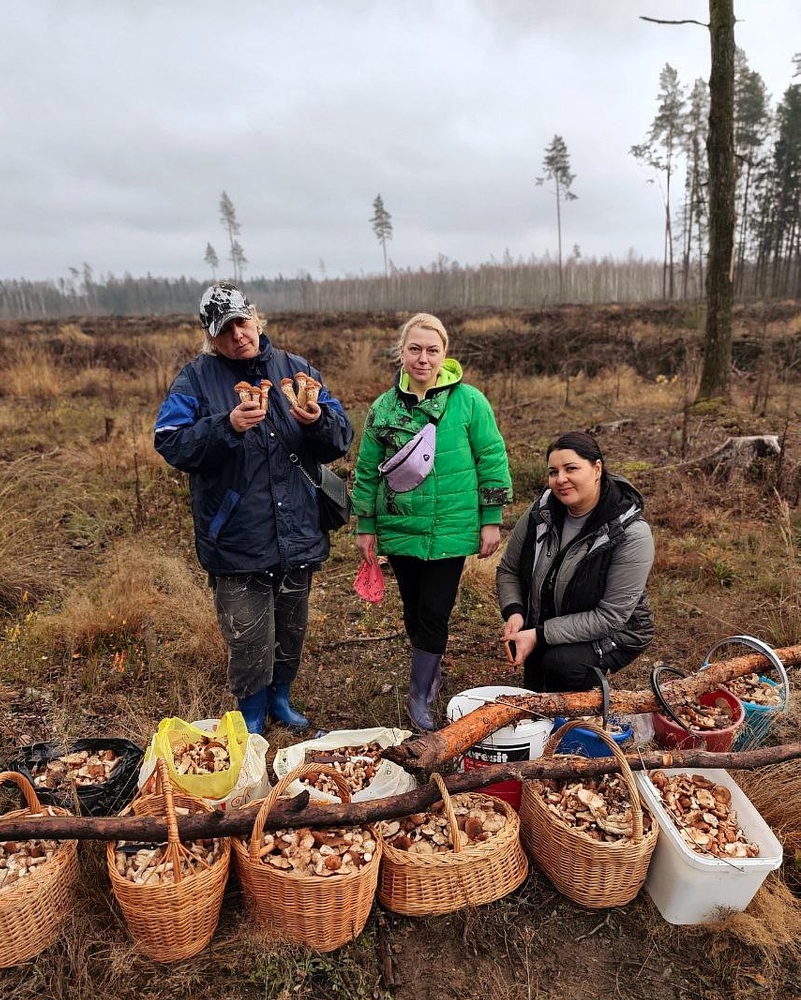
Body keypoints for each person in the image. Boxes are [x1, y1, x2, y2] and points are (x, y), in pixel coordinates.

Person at [153, 283, 353, 734]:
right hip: (236, 535)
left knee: (291, 629)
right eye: (224, 331)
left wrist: (319, 420)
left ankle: (280, 699)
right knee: (246, 636)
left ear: (257, 318)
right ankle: (251, 712)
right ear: (211, 337)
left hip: (297, 529)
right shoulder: (196, 379)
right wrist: (225, 426)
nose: (238, 336)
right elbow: (170, 440)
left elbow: (342, 436)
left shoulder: (297, 369)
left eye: (242, 323)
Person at [352, 312, 512, 732]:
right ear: (402, 353)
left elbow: (491, 457)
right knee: (413, 609)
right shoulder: (383, 409)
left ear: (445, 354)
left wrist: (490, 518)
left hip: (451, 528)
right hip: (401, 525)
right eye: (415, 349)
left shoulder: (470, 402)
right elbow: (367, 469)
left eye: (432, 350)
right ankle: (431, 667)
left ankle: (419, 693)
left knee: (435, 611)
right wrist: (365, 525)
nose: (423, 358)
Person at [496, 430, 654, 692]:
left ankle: (591, 700)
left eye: (571, 468)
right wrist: (514, 611)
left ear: (596, 469)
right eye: (553, 472)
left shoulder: (631, 534)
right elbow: (509, 570)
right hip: (555, 620)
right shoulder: (541, 511)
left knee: (561, 664)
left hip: (619, 631)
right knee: (536, 692)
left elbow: (611, 615)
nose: (560, 480)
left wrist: (539, 634)